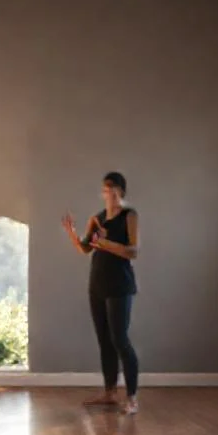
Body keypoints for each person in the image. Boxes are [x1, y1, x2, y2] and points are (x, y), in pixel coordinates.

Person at [61, 172, 141, 415]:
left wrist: (105, 243)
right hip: (97, 284)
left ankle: (132, 398)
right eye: (106, 190)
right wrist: (72, 233)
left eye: (114, 190)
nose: (110, 194)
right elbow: (86, 248)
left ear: (122, 192)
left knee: (120, 339)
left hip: (120, 285)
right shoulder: (97, 219)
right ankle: (109, 392)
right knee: (104, 340)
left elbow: (133, 251)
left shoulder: (129, 216)